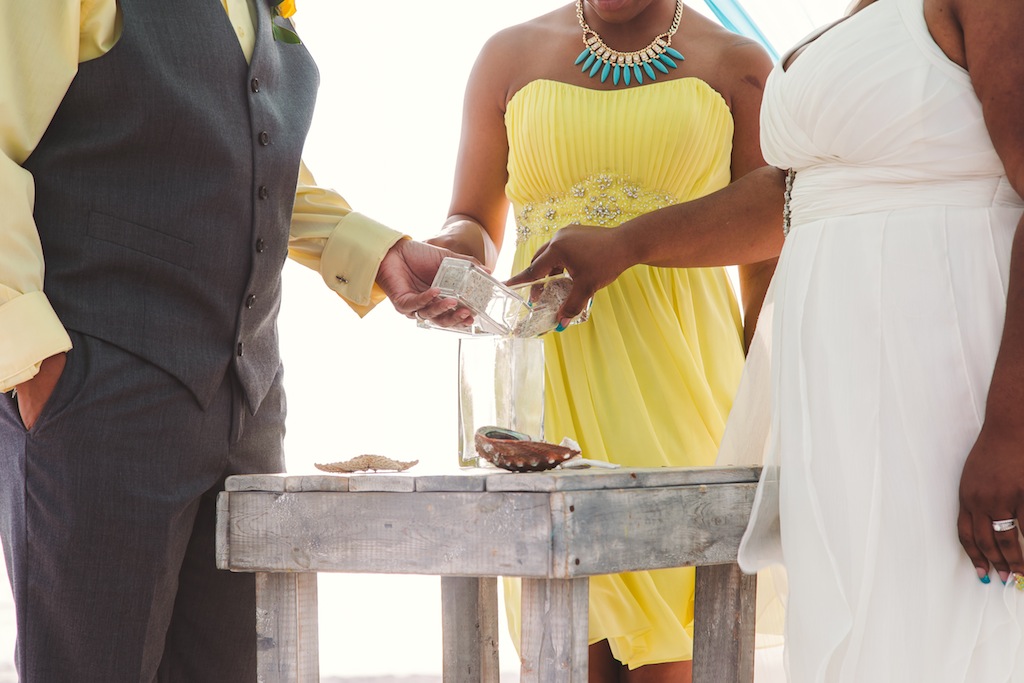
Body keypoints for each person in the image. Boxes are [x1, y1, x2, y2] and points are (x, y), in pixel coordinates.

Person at [508, 0, 1024, 680]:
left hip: (945, 381)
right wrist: (627, 244)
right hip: (842, 405)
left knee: (944, 627)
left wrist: (1011, 430)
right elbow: (793, 200)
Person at [0, 1, 465, 681]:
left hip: (246, 405)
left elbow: (248, 154)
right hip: (96, 399)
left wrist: (376, 251)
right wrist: (31, 357)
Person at [428, 0, 776, 678]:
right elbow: (471, 216)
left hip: (685, 398)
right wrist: (452, 256)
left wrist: (766, 410)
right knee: (565, 650)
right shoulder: (507, 56)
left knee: (676, 650)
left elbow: (770, 241)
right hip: (544, 401)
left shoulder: (740, 68)